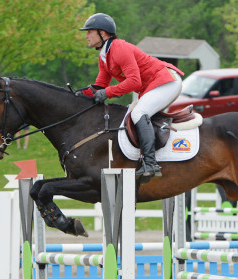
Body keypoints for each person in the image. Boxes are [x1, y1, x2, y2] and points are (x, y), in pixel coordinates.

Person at [78, 13, 184, 182]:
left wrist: (107, 93)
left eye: (89, 31)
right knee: (138, 114)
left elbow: (134, 82)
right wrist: (80, 95)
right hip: (154, 85)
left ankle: (150, 164)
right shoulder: (104, 56)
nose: (86, 36)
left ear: (102, 33)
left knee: (138, 113)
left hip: (166, 81)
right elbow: (100, 85)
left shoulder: (119, 48)